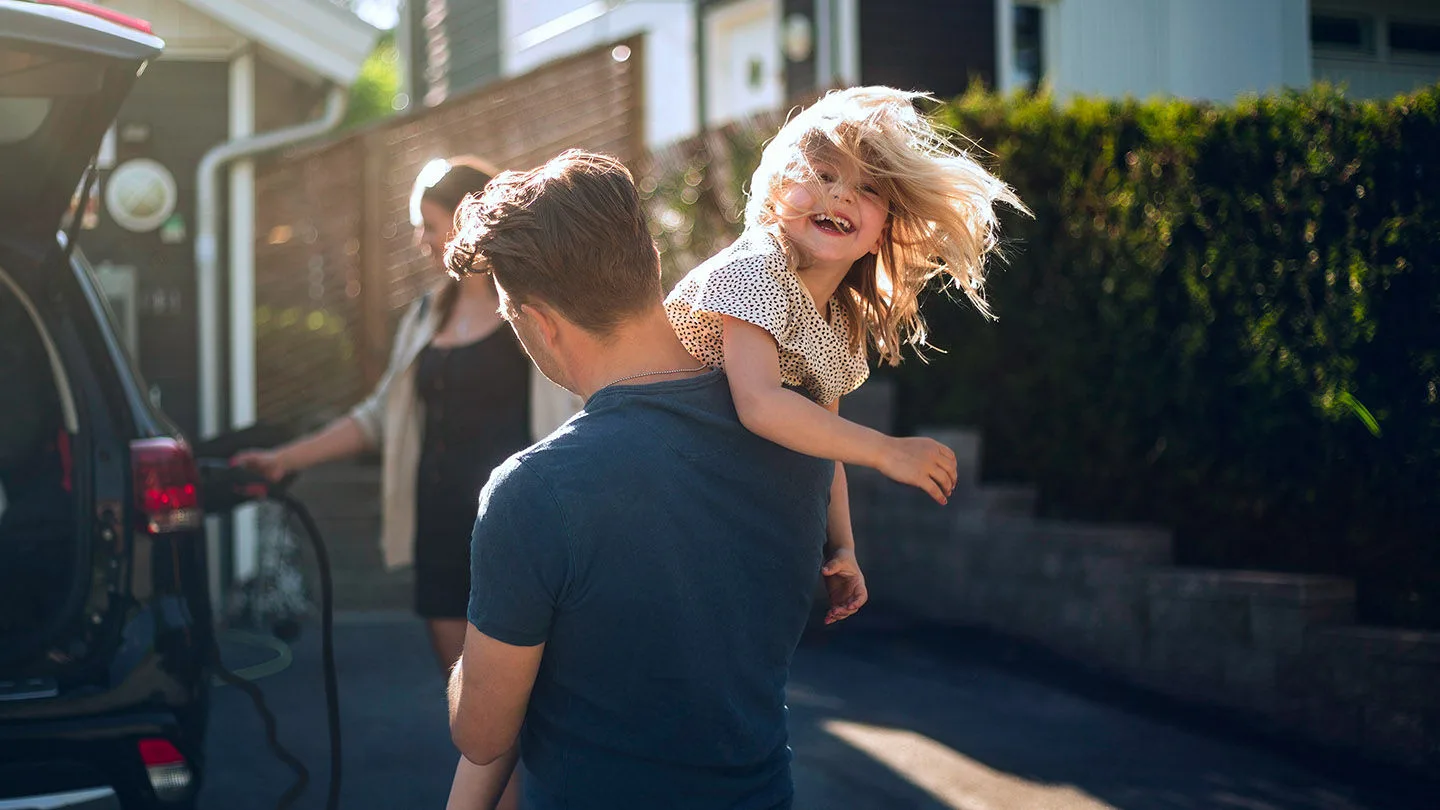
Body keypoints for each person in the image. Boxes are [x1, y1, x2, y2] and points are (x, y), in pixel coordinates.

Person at [442, 150, 860, 809]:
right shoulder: (799, 436)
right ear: (649, 265)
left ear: (540, 323)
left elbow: (482, 731)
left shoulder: (534, 493)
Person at [665, 86, 1029, 609]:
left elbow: (825, 442)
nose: (839, 195)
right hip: (654, 470)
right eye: (823, 174)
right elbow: (761, 404)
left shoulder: (836, 324)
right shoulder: (755, 266)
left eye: (865, 189)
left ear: (881, 234)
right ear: (775, 197)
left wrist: (845, 547)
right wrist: (887, 451)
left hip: (714, 503)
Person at [233, 156, 578, 673]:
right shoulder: (424, 314)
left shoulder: (536, 310)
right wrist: (284, 459)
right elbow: (379, 417)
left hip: (519, 530)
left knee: (534, 701)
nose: (422, 242)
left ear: (468, 224)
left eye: (430, 227)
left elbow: (582, 405)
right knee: (469, 708)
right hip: (439, 528)